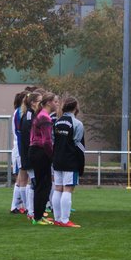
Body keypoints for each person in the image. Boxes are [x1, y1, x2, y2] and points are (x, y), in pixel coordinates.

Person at [50, 97, 86, 228]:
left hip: (57, 160)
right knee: (68, 189)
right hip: (70, 161)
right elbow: (78, 145)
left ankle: (57, 219)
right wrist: (81, 163)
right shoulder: (77, 124)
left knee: (58, 188)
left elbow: (53, 141)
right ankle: (65, 220)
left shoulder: (57, 122)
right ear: (75, 108)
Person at [27, 91, 56, 226]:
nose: (57, 104)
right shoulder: (45, 118)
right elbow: (46, 141)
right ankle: (37, 217)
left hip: (35, 151)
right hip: (40, 153)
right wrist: (52, 156)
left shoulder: (40, 115)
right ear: (49, 103)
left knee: (43, 185)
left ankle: (39, 215)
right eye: (55, 101)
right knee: (43, 186)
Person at [9, 89, 30, 214]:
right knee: (21, 178)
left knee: (21, 178)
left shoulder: (20, 112)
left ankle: (19, 205)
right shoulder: (19, 113)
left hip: (20, 149)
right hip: (19, 149)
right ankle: (17, 206)